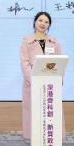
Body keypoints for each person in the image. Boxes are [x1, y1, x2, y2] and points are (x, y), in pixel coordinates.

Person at [19, 11, 62, 139]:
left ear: (49, 25)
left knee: (50, 116)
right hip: (33, 84)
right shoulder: (27, 41)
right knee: (35, 116)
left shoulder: (54, 42)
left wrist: (59, 81)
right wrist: (33, 80)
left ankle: (49, 143)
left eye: (46, 22)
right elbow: (25, 63)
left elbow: (59, 63)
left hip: (50, 85)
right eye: (40, 20)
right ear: (35, 21)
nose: (43, 23)